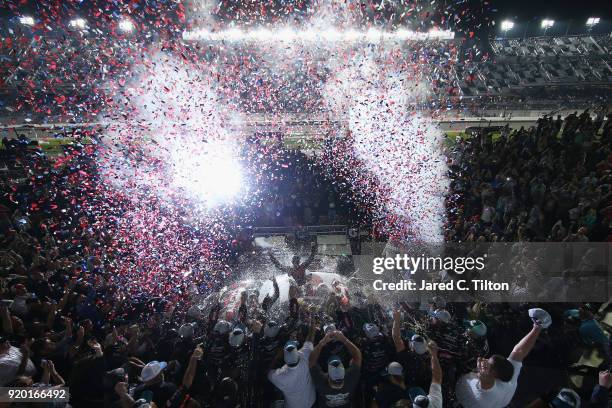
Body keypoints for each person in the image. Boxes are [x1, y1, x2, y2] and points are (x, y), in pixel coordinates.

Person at [455, 308, 552, 408]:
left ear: (494, 373)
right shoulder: (509, 376)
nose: (485, 360)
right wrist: (537, 327)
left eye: (488, 363)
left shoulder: (489, 388)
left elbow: (486, 380)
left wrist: (481, 367)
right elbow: (519, 351)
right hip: (500, 402)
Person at [267, 319, 316, 408]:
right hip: (311, 402)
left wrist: (276, 357)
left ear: (284, 359)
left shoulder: (280, 376)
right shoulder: (304, 357)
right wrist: (313, 323)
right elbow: (310, 339)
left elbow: (268, 373)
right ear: (297, 353)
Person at [309, 330, 362, 408]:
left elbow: (311, 361)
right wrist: (344, 339)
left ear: (328, 375)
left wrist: (322, 342)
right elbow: (358, 356)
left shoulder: (321, 382)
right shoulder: (351, 379)